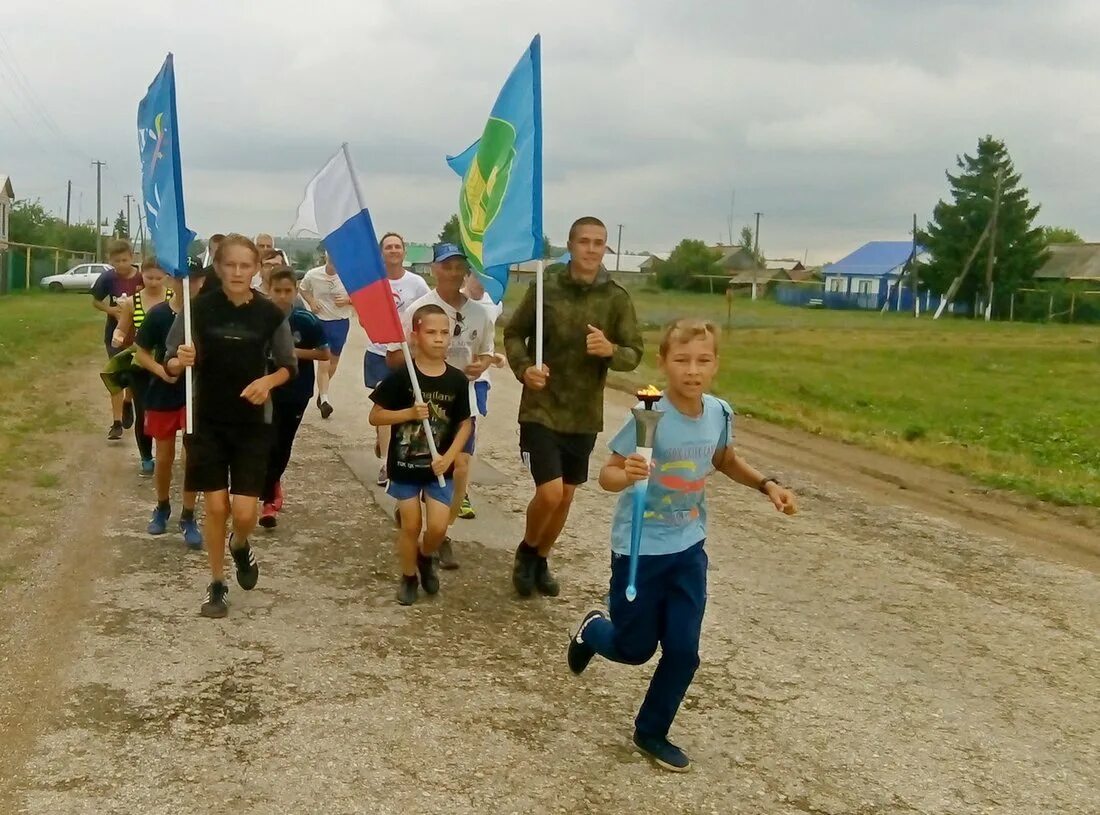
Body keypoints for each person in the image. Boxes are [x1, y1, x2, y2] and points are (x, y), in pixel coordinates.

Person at [567, 319, 798, 773]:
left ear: (715, 365)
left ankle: (651, 730)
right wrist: (627, 473)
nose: (693, 371)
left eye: (703, 361)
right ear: (664, 363)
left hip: (689, 548)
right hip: (640, 551)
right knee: (635, 649)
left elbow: (724, 459)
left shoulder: (717, 412)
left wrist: (768, 485)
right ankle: (594, 629)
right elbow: (607, 475)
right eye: (682, 360)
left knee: (684, 650)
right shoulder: (647, 417)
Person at [503, 216, 644, 597]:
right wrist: (523, 368)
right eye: (585, 241)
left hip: (583, 413)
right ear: (571, 245)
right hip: (541, 405)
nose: (592, 249)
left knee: (565, 496)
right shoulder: (546, 287)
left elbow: (635, 353)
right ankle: (526, 552)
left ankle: (541, 557)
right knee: (548, 493)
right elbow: (515, 333)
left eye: (599, 243)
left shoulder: (615, 297)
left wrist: (611, 350)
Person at [165, 234, 297, 619]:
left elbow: (289, 365)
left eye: (245, 265)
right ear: (219, 267)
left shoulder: (270, 314)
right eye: (230, 265)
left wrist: (268, 382)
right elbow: (170, 363)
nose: (238, 272)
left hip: (254, 424)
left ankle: (240, 545)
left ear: (256, 268)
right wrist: (181, 360)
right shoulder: (196, 311)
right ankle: (217, 583)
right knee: (217, 505)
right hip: (206, 421)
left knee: (243, 513)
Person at [385, 243, 494, 570]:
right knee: (422, 462)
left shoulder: (480, 312)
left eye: (460, 265)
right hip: (424, 402)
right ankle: (412, 513)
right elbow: (394, 356)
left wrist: (481, 365)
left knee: (458, 466)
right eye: (447, 266)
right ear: (434, 269)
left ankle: (442, 532)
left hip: (461, 400)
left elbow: (487, 351)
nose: (454, 272)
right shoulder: (418, 308)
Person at [370, 304, 472, 606]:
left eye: (444, 332)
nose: (439, 339)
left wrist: (450, 456)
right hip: (405, 465)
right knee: (411, 524)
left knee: (438, 527)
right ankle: (408, 576)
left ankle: (425, 557)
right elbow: (375, 417)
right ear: (415, 335)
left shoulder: (456, 380)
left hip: (440, 469)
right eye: (431, 332)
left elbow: (466, 424)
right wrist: (407, 413)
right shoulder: (404, 377)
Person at [132, 262, 205, 549]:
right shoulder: (159, 314)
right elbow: (141, 353)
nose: (192, 285)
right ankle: (162, 506)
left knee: (192, 456)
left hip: (195, 395)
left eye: (197, 280)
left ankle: (189, 514)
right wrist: (162, 370)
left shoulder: (204, 315)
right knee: (164, 456)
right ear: (173, 280)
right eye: (185, 279)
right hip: (162, 393)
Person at [259, 267, 331, 528]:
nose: (281, 296)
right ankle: (268, 499)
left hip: (296, 391)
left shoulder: (305, 320)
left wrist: (291, 353)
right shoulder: (258, 317)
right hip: (265, 389)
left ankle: (272, 484)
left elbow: (324, 354)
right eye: (277, 290)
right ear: (268, 289)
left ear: (295, 290)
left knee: (282, 443)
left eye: (287, 291)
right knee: (266, 440)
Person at [363, 232, 429, 487]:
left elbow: (427, 312)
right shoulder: (373, 283)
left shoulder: (417, 284)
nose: (393, 251)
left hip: (407, 356)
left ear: (404, 251)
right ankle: (388, 465)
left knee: (403, 406)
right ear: (381, 253)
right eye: (388, 247)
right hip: (379, 352)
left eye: (397, 246)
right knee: (385, 406)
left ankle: (390, 446)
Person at [113, 260, 172, 473]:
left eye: (159, 278)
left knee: (167, 411)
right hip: (140, 364)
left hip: (168, 363)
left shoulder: (174, 299)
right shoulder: (131, 302)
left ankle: (168, 452)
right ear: (142, 276)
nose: (154, 282)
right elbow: (122, 326)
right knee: (144, 411)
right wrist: (117, 337)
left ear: (166, 277)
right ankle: (146, 456)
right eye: (149, 278)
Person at [457, 268, 507, 520]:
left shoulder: (494, 303)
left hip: (479, 381)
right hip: (451, 378)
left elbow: (488, 342)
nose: (480, 283)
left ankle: (462, 493)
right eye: (476, 276)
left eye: (485, 278)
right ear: (466, 277)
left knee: (470, 437)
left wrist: (492, 358)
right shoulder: (454, 301)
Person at [91, 238, 142, 440]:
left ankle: (129, 401)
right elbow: (95, 300)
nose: (121, 265)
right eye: (116, 261)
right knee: (116, 374)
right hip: (115, 335)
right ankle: (116, 422)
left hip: (137, 335)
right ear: (110, 261)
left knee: (131, 375)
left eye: (124, 260)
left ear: (132, 258)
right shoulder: (107, 279)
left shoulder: (141, 279)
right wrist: (110, 310)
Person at [298, 251, 353, 419]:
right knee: (324, 360)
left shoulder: (349, 276)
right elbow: (303, 289)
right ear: (326, 255)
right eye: (331, 254)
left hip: (340, 322)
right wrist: (312, 301)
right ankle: (325, 401)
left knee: (333, 362)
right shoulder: (313, 275)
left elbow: (362, 296)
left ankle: (323, 392)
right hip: (321, 322)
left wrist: (348, 300)